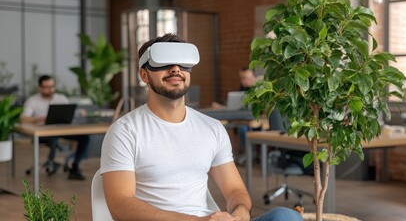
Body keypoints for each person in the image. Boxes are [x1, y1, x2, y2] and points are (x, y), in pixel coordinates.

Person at [100, 33, 303, 220]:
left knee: (285, 216)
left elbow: (234, 190)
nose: (175, 69)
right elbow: (120, 205)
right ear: (144, 75)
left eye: (182, 62)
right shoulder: (124, 131)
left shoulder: (211, 128)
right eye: (163, 62)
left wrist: (240, 211)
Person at [21, 75, 90, 180]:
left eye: (52, 86)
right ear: (39, 87)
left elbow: (70, 112)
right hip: (43, 132)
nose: (50, 89)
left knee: (85, 137)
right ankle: (51, 163)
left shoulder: (61, 98)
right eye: (47, 87)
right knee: (53, 138)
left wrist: (80, 112)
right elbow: (23, 118)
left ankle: (75, 166)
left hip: (62, 129)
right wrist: (38, 119)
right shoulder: (32, 101)